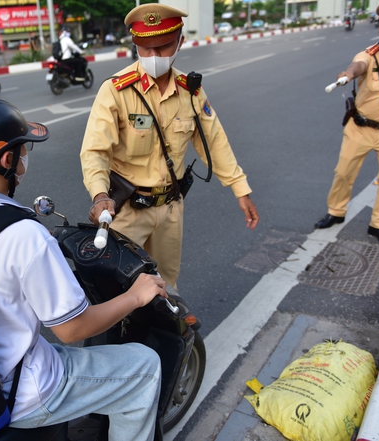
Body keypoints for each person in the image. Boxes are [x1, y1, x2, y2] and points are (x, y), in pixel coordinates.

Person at [0, 94, 168, 440]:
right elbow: (73, 329)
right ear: (6, 159)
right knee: (145, 367)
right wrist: (135, 296)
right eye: (23, 151)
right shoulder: (24, 233)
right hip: (21, 391)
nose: (25, 159)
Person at [80, 3, 259, 288]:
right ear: (135, 44)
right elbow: (95, 151)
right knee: (115, 288)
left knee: (166, 286)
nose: (153, 55)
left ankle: (162, 333)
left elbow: (213, 141)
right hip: (126, 210)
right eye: (145, 47)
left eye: (162, 47)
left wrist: (240, 189)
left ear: (180, 43)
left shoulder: (191, 91)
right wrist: (100, 194)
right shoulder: (115, 91)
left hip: (170, 209)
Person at [314, 0, 379, 247]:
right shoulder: (369, 54)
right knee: (343, 172)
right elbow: (358, 66)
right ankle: (336, 211)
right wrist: (347, 75)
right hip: (360, 128)